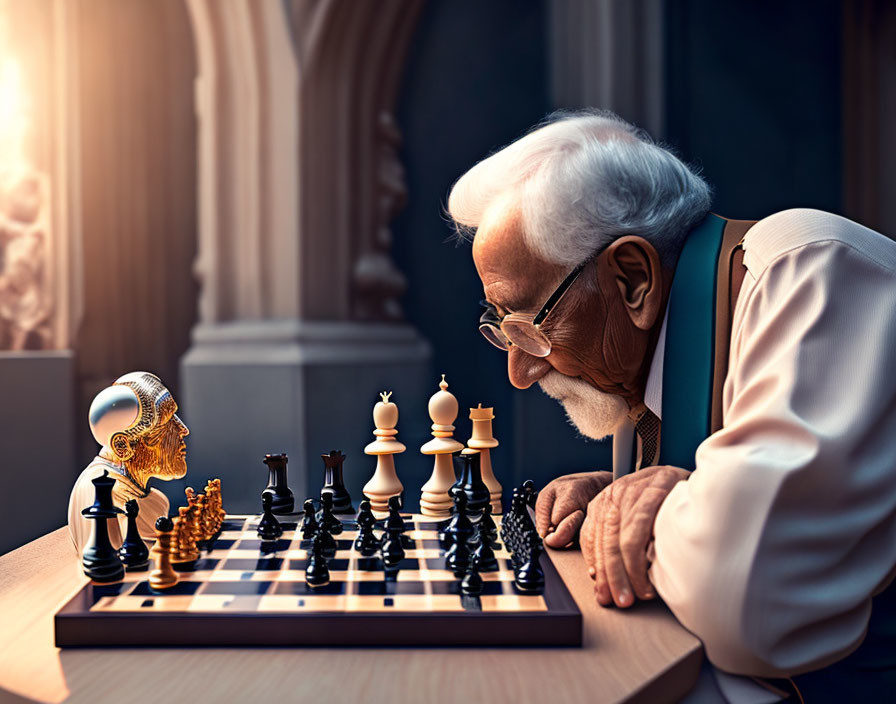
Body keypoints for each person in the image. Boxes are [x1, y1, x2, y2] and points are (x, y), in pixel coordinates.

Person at [447, 109, 896, 702]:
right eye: (505, 333)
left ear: (632, 278)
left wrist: (674, 503)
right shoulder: (647, 358)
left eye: (533, 328)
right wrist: (622, 493)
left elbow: (744, 602)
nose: (521, 371)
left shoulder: (808, 269)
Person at [68, 371, 189, 554]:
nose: (183, 430)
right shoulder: (98, 493)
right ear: (122, 446)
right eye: (166, 423)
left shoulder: (153, 499)